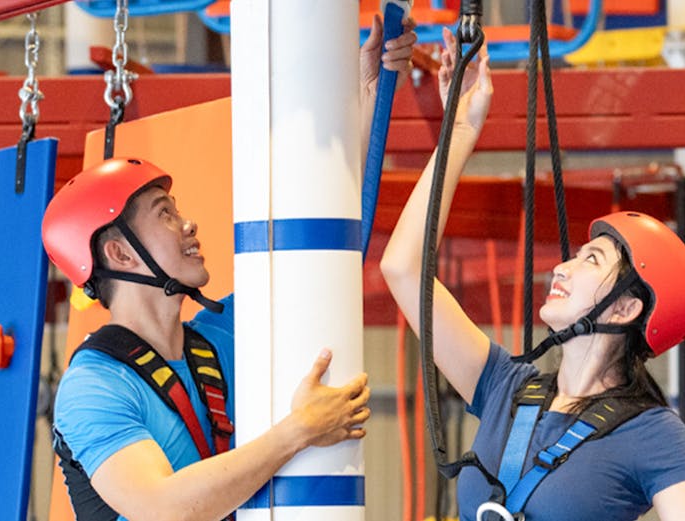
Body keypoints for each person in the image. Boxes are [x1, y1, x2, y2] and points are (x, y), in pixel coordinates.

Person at [42, 17, 417, 521]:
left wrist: (360, 97)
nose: (188, 224)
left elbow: (325, 249)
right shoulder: (95, 386)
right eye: (165, 214)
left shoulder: (222, 336)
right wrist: (300, 430)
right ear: (121, 255)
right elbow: (163, 507)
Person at [380, 28, 685, 521]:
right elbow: (403, 268)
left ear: (626, 308)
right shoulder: (505, 386)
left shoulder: (654, 435)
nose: (562, 267)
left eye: (591, 260)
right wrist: (460, 129)